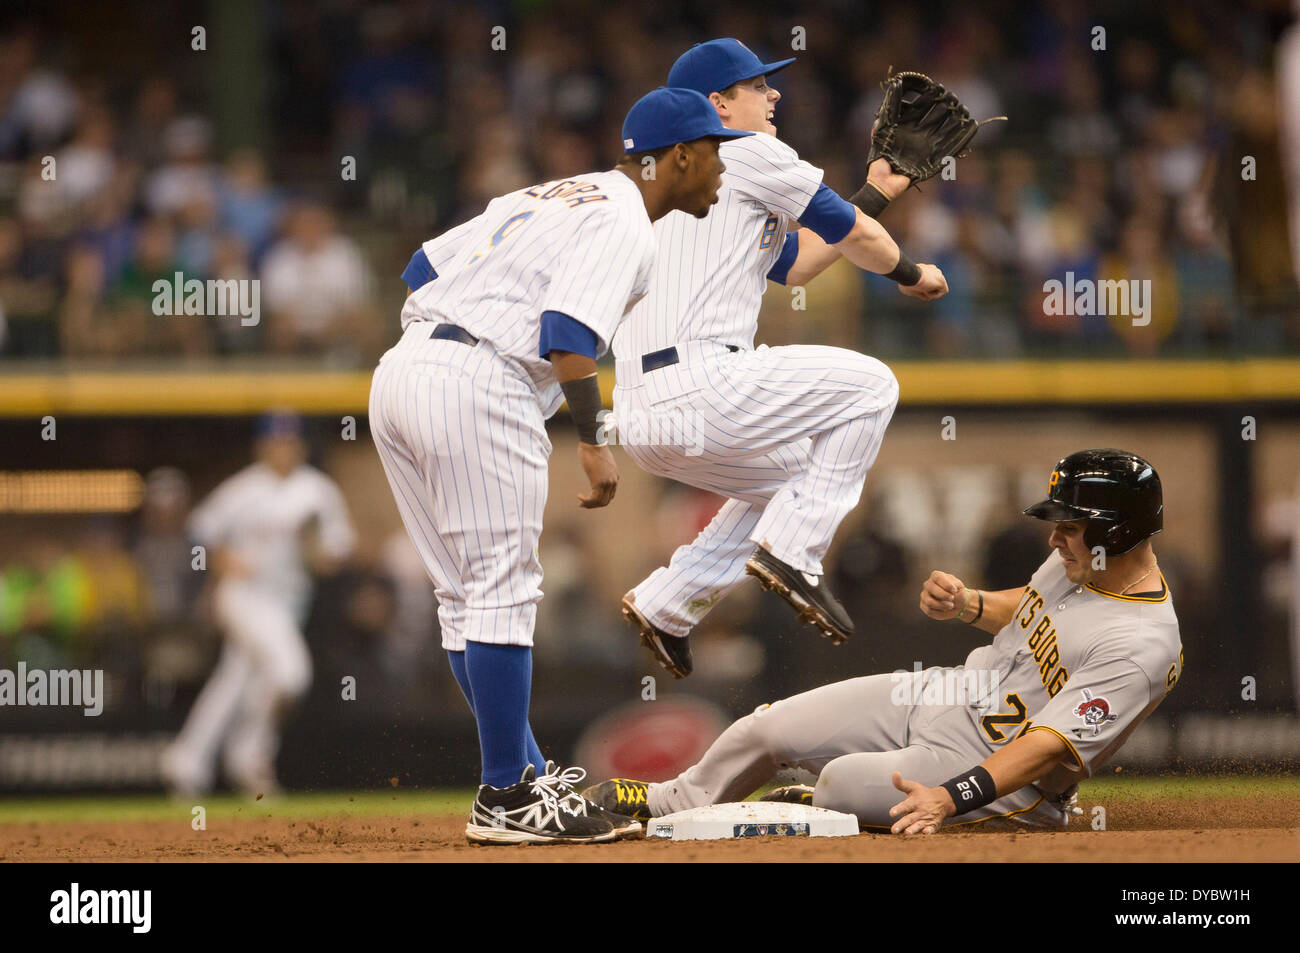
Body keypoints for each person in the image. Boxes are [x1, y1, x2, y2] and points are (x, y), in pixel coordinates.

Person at [369, 87, 752, 845]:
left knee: (466, 599)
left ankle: (525, 777)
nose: (721, 171)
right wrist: (593, 436)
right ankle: (506, 795)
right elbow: (567, 335)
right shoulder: (623, 220)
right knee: (505, 589)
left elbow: (419, 268)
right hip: (484, 381)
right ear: (678, 155)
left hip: (404, 372)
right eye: (715, 152)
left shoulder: (553, 194)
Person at [585, 449, 1183, 834]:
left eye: (1071, 527)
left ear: (1118, 532)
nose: (1056, 539)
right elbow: (1031, 611)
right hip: (948, 693)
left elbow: (1049, 747)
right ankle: (669, 802)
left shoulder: (1140, 645)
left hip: (998, 770)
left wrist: (950, 798)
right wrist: (972, 604)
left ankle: (818, 804)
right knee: (765, 729)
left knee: (842, 782)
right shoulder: (1080, 562)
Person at [610, 39, 948, 679]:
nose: (774, 94)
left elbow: (798, 264)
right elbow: (852, 236)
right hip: (704, 379)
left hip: (640, 414)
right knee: (873, 385)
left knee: (800, 475)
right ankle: (795, 556)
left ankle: (669, 602)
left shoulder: (674, 179)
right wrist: (908, 272)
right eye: (757, 85)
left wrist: (872, 192)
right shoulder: (746, 150)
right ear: (718, 104)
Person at [160, 411, 355, 796]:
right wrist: (222, 560)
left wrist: (312, 546)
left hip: (287, 605)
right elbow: (197, 531)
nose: (283, 447)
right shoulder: (245, 488)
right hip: (244, 597)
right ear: (262, 445)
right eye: (275, 440)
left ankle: (186, 762)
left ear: (300, 445)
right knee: (290, 674)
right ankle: (250, 755)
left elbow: (335, 557)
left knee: (234, 681)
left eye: (289, 440)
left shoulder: (317, 491)